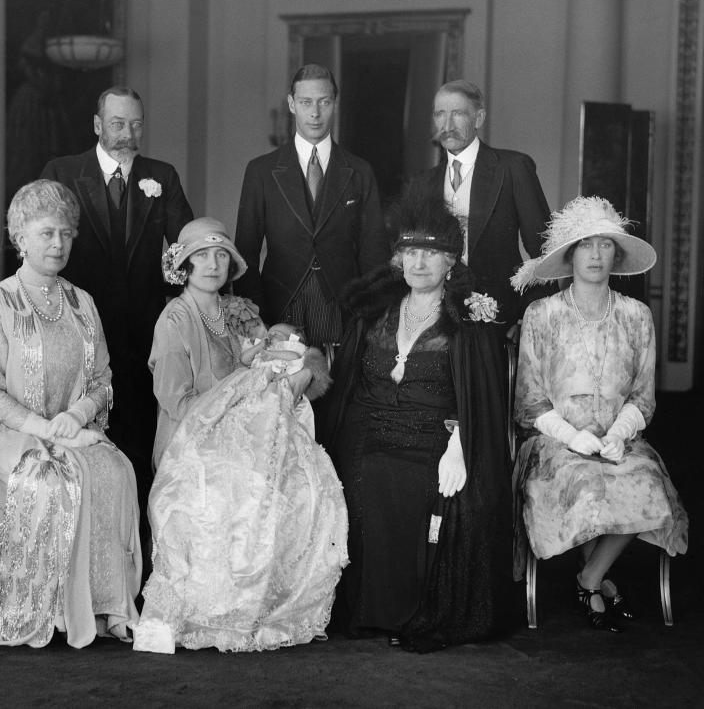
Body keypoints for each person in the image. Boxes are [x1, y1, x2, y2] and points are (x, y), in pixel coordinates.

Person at [133, 217, 346, 654]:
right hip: (190, 444)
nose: (212, 264)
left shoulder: (241, 313)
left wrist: (296, 372)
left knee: (298, 483)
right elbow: (177, 402)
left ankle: (261, 606)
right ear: (185, 266)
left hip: (249, 438)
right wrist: (242, 389)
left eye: (220, 255)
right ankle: (213, 611)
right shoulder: (173, 320)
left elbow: (287, 359)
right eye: (201, 256)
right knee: (238, 486)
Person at [322, 188, 513, 652]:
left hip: (435, 435)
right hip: (367, 428)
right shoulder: (374, 311)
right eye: (410, 252)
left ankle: (408, 612)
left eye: (432, 253)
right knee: (360, 475)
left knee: (413, 482)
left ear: (452, 261)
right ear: (398, 259)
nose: (419, 263)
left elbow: (481, 398)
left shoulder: (468, 318)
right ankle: (367, 612)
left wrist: (461, 441)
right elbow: (348, 384)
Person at [0, 179, 141, 648]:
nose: (58, 244)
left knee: (114, 470)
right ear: (20, 237)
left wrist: (76, 417)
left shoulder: (83, 303)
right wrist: (44, 430)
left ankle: (109, 605)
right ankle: (48, 609)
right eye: (45, 233)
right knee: (48, 478)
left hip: (69, 429)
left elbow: (103, 379)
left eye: (65, 233)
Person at [511, 196, 688, 632]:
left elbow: (643, 396)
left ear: (617, 254)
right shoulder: (542, 314)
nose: (594, 254)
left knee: (648, 487)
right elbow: (529, 401)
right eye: (585, 244)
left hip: (620, 442)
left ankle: (589, 578)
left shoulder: (636, 316)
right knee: (588, 486)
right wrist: (573, 437)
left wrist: (620, 432)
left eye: (605, 245)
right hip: (555, 444)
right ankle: (596, 583)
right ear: (570, 254)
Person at [40, 86, 193, 521]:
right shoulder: (63, 171)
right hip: (76, 328)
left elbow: (185, 246)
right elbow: (41, 242)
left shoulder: (161, 175)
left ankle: (137, 547)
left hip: (143, 333)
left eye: (136, 124)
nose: (128, 133)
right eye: (118, 123)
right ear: (97, 125)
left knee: (138, 436)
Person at [234, 64, 389, 348]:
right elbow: (245, 251)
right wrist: (254, 315)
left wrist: (371, 316)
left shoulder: (359, 171)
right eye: (306, 102)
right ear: (292, 104)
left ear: (335, 104)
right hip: (279, 306)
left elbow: (374, 251)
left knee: (341, 389)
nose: (315, 113)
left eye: (324, 102)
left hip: (343, 307)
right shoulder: (262, 171)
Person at [409, 80, 551, 330]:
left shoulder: (512, 168)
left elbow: (544, 252)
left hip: (500, 319)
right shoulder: (423, 183)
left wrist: (532, 318)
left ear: (479, 118)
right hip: (437, 321)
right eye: (440, 114)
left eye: (458, 114)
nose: (447, 125)